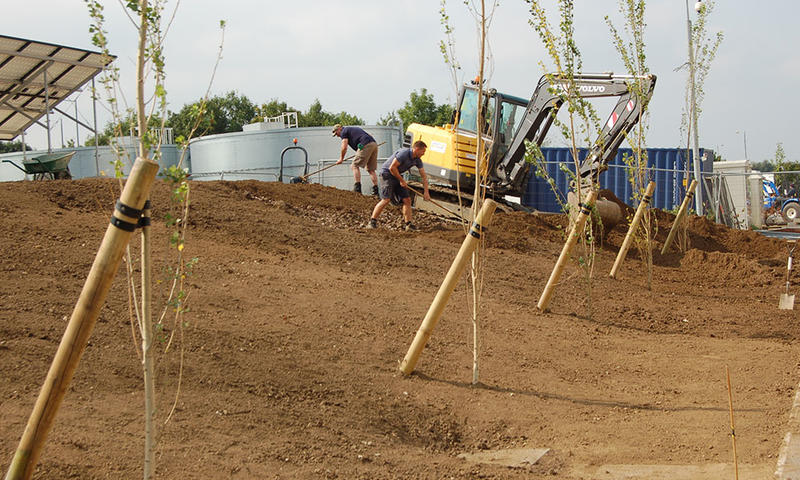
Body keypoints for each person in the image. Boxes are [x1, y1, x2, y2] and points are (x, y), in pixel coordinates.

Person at [367, 140, 430, 231]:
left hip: (397, 175)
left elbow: (424, 176)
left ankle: (409, 225)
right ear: (416, 149)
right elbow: (392, 168)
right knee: (386, 199)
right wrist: (402, 180)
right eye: (423, 151)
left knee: (407, 200)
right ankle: (372, 222)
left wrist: (426, 192)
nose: (423, 154)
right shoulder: (403, 153)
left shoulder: (417, 160)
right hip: (387, 174)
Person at [332, 124, 379, 196]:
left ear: (339, 129)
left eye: (336, 133)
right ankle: (376, 192)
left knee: (354, 166)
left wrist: (341, 159)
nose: (337, 136)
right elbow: (369, 135)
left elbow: (344, 147)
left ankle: (357, 189)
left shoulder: (344, 132)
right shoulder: (352, 129)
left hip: (365, 145)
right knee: (371, 169)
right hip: (373, 144)